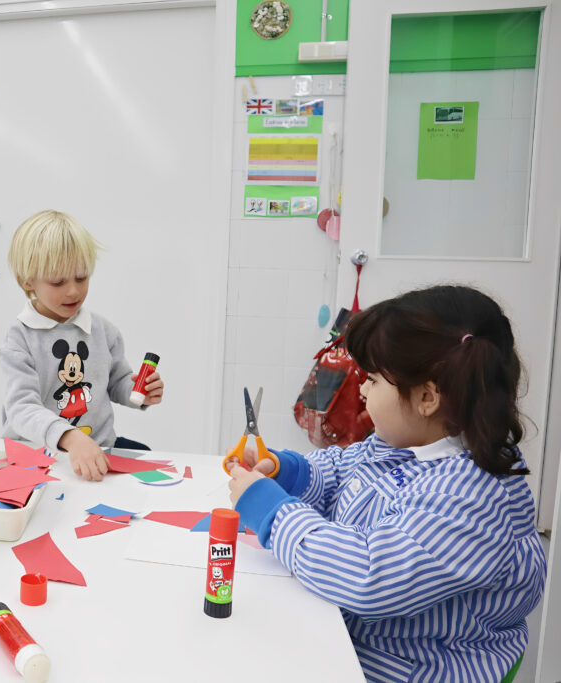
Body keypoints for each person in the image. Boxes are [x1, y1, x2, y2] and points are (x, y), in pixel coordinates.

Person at [227, 285, 547, 682]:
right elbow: (342, 472)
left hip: (414, 668)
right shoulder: (407, 444)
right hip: (360, 640)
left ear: (427, 398)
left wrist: (274, 516)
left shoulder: (470, 497)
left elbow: (368, 573)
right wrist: (287, 472)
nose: (361, 390)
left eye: (374, 380)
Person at [0, 209, 163, 481]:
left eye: (81, 278)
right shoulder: (20, 337)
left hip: (96, 449)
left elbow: (116, 382)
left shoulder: (103, 331)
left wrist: (139, 392)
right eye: (58, 282)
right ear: (27, 281)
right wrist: (70, 438)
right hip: (35, 457)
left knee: (145, 463)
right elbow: (21, 408)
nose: (73, 291)